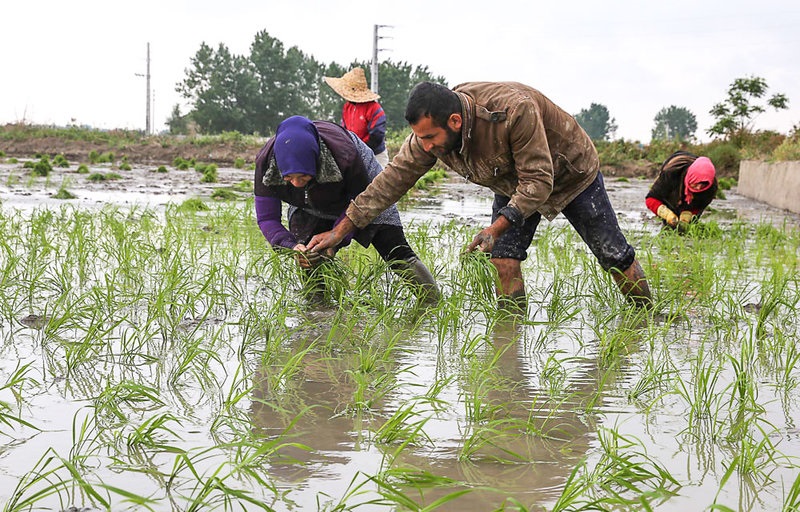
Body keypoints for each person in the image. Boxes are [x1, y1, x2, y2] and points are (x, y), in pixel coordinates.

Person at [306, 81, 653, 309]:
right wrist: (342, 228)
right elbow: (391, 181)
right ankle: (510, 341)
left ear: (455, 121)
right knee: (504, 259)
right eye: (420, 139)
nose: (425, 147)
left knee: (614, 256)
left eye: (429, 138)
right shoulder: (430, 136)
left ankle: (648, 319)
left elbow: (538, 182)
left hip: (570, 173)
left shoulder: (513, 111)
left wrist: (494, 228)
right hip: (511, 182)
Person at [254, 115, 439, 303]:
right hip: (308, 204)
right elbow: (267, 219)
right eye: (289, 178)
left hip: (362, 193)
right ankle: (318, 313)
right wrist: (293, 247)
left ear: (316, 161)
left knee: (395, 250)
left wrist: (337, 238)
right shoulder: (266, 164)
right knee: (309, 255)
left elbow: (360, 205)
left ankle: (434, 304)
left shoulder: (345, 155)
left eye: (303, 176)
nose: (296, 183)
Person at [323, 67, 390, 167]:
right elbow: (344, 131)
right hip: (355, 154)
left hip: (376, 154)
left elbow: (377, 135)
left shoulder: (374, 108)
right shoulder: (347, 107)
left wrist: (362, 150)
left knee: (380, 180)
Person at [645, 151, 718, 231]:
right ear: (692, 177)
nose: (698, 187)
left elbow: (701, 204)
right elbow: (650, 199)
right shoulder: (670, 173)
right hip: (675, 172)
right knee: (669, 224)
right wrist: (666, 214)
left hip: (692, 187)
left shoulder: (711, 187)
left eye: (703, 184)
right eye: (696, 183)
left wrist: (688, 213)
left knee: (686, 227)